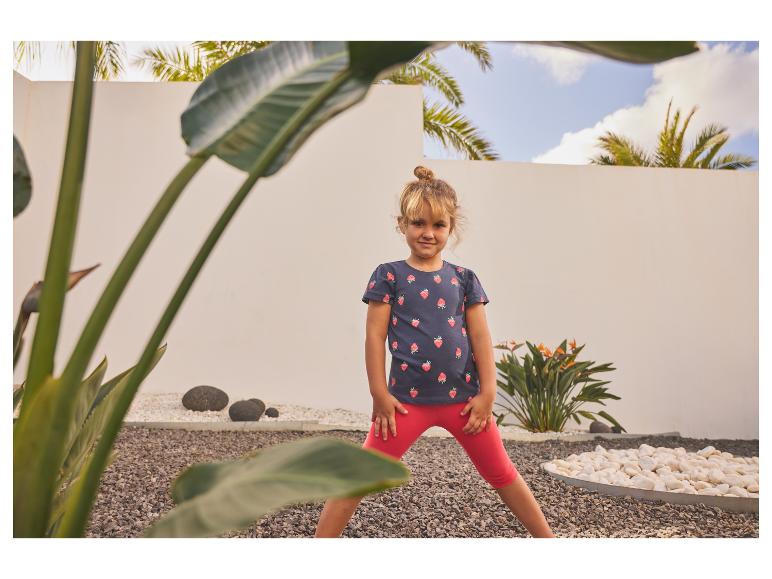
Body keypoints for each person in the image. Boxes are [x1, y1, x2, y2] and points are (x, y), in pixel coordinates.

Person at [314, 166, 555, 538]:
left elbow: (480, 338)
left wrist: (488, 394)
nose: (428, 233)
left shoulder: (464, 279)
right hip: (403, 406)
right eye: (418, 223)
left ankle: (550, 544)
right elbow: (374, 338)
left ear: (451, 227)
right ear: (402, 224)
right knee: (359, 476)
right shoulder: (388, 276)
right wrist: (379, 394)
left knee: (502, 473)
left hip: (466, 404)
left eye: (438, 225)